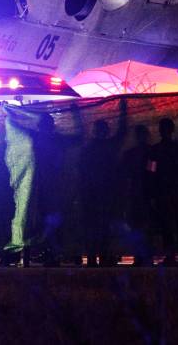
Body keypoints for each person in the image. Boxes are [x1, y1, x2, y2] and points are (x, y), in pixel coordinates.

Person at [22, 106, 82, 267]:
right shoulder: (51, 138)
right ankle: (52, 252)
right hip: (47, 185)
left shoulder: (42, 138)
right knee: (47, 219)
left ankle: (53, 252)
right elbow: (78, 137)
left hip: (49, 185)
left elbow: (78, 138)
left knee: (50, 219)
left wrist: (13, 111)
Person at [78, 99, 126, 267]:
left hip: (96, 195)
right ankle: (100, 256)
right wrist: (124, 108)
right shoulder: (105, 147)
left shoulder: (90, 149)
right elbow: (122, 133)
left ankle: (96, 257)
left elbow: (81, 172)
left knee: (96, 227)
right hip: (102, 194)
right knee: (101, 227)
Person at [147, 117, 178, 266]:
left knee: (167, 226)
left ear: (160, 131)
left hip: (163, 193)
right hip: (177, 192)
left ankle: (172, 256)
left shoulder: (154, 151)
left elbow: (150, 173)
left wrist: (152, 193)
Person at [120, 125, 156, 266]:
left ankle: (141, 255)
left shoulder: (132, 153)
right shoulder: (150, 152)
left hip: (140, 193)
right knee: (142, 226)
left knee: (139, 226)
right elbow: (153, 171)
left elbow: (152, 171)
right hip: (142, 194)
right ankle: (143, 255)